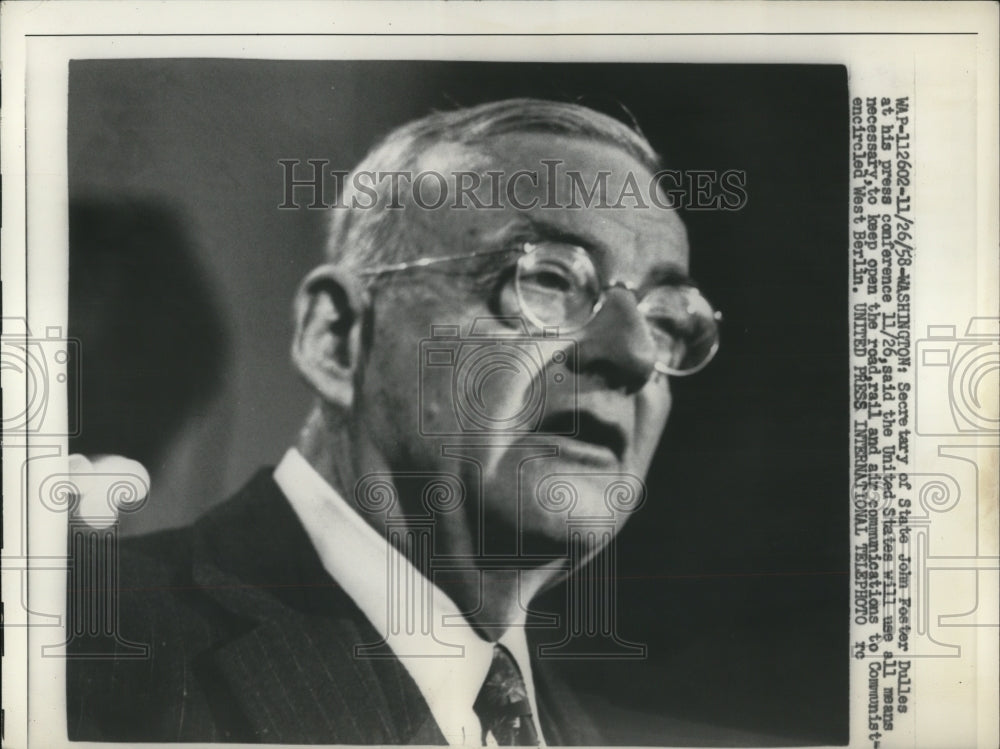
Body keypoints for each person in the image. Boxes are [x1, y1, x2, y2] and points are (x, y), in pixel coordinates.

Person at [66, 98, 721, 745]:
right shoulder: (81, 641)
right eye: (551, 279)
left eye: (667, 318)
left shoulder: (584, 732)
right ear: (338, 337)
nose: (634, 353)